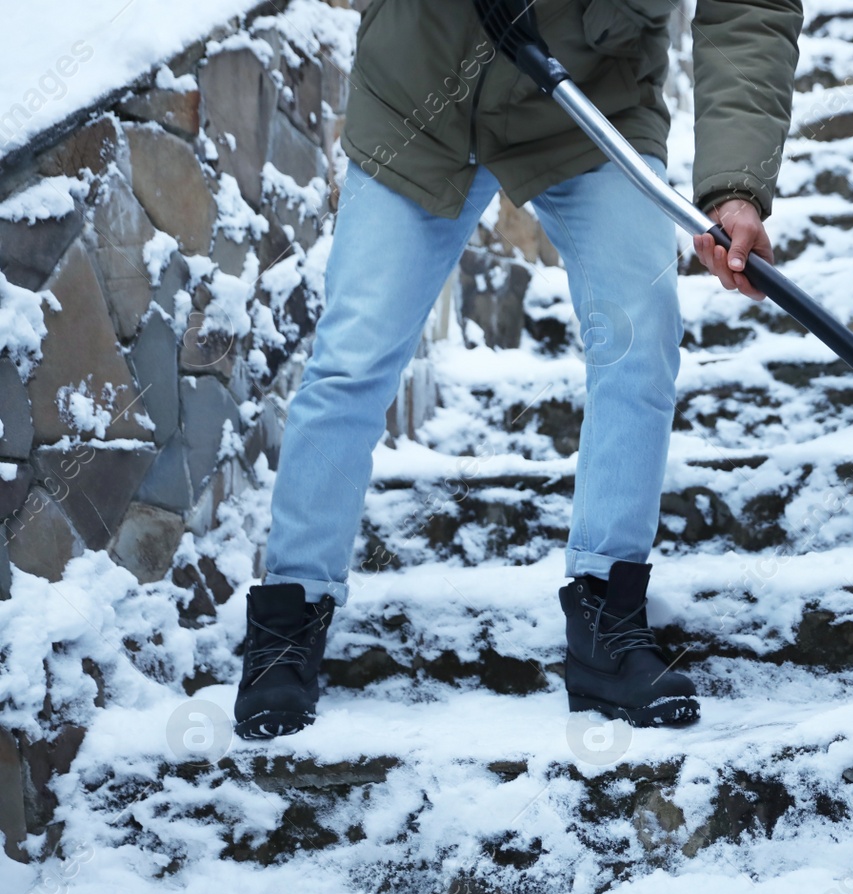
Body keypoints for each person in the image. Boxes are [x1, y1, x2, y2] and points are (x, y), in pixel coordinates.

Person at [232, 0, 803, 740]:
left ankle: (607, 615)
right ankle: (289, 612)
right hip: (422, 92)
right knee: (354, 354)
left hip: (588, 101)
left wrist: (736, 184)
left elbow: (748, 8)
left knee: (640, 333)